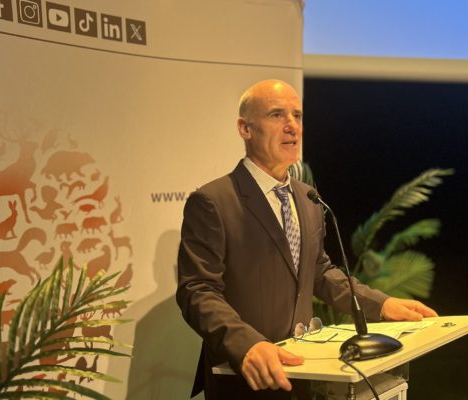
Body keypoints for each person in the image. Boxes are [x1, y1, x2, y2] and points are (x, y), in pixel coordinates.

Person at [176, 79, 437, 399]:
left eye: (297, 116)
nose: (292, 126)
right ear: (245, 129)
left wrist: (381, 305)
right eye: (276, 115)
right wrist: (247, 344)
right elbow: (197, 290)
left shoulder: (307, 197)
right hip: (246, 374)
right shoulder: (213, 201)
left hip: (303, 370)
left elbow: (319, 272)